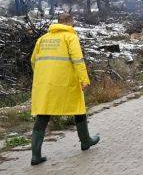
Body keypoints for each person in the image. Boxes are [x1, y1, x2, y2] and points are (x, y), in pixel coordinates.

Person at [29, 13, 99, 166]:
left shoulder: (42, 39)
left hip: (44, 83)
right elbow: (77, 59)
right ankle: (85, 141)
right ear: (69, 23)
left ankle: (35, 155)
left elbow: (33, 60)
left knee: (43, 114)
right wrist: (84, 79)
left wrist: (43, 76)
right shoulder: (70, 37)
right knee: (78, 108)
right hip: (65, 82)